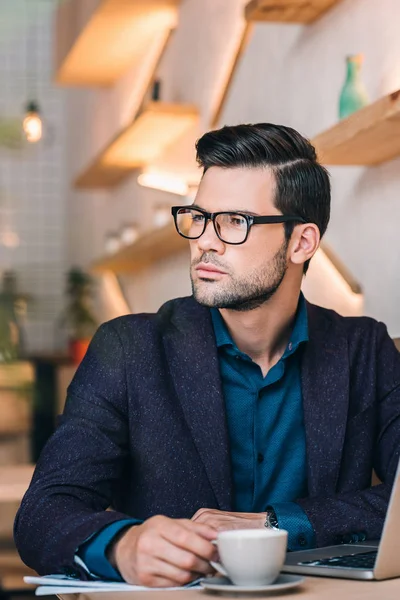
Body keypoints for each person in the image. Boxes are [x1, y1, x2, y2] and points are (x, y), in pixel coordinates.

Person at [15, 123, 400, 588]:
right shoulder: (129, 349)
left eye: (234, 221)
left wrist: (277, 524)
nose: (205, 241)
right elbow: (43, 512)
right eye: (199, 217)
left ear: (302, 242)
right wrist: (124, 545)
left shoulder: (364, 349)